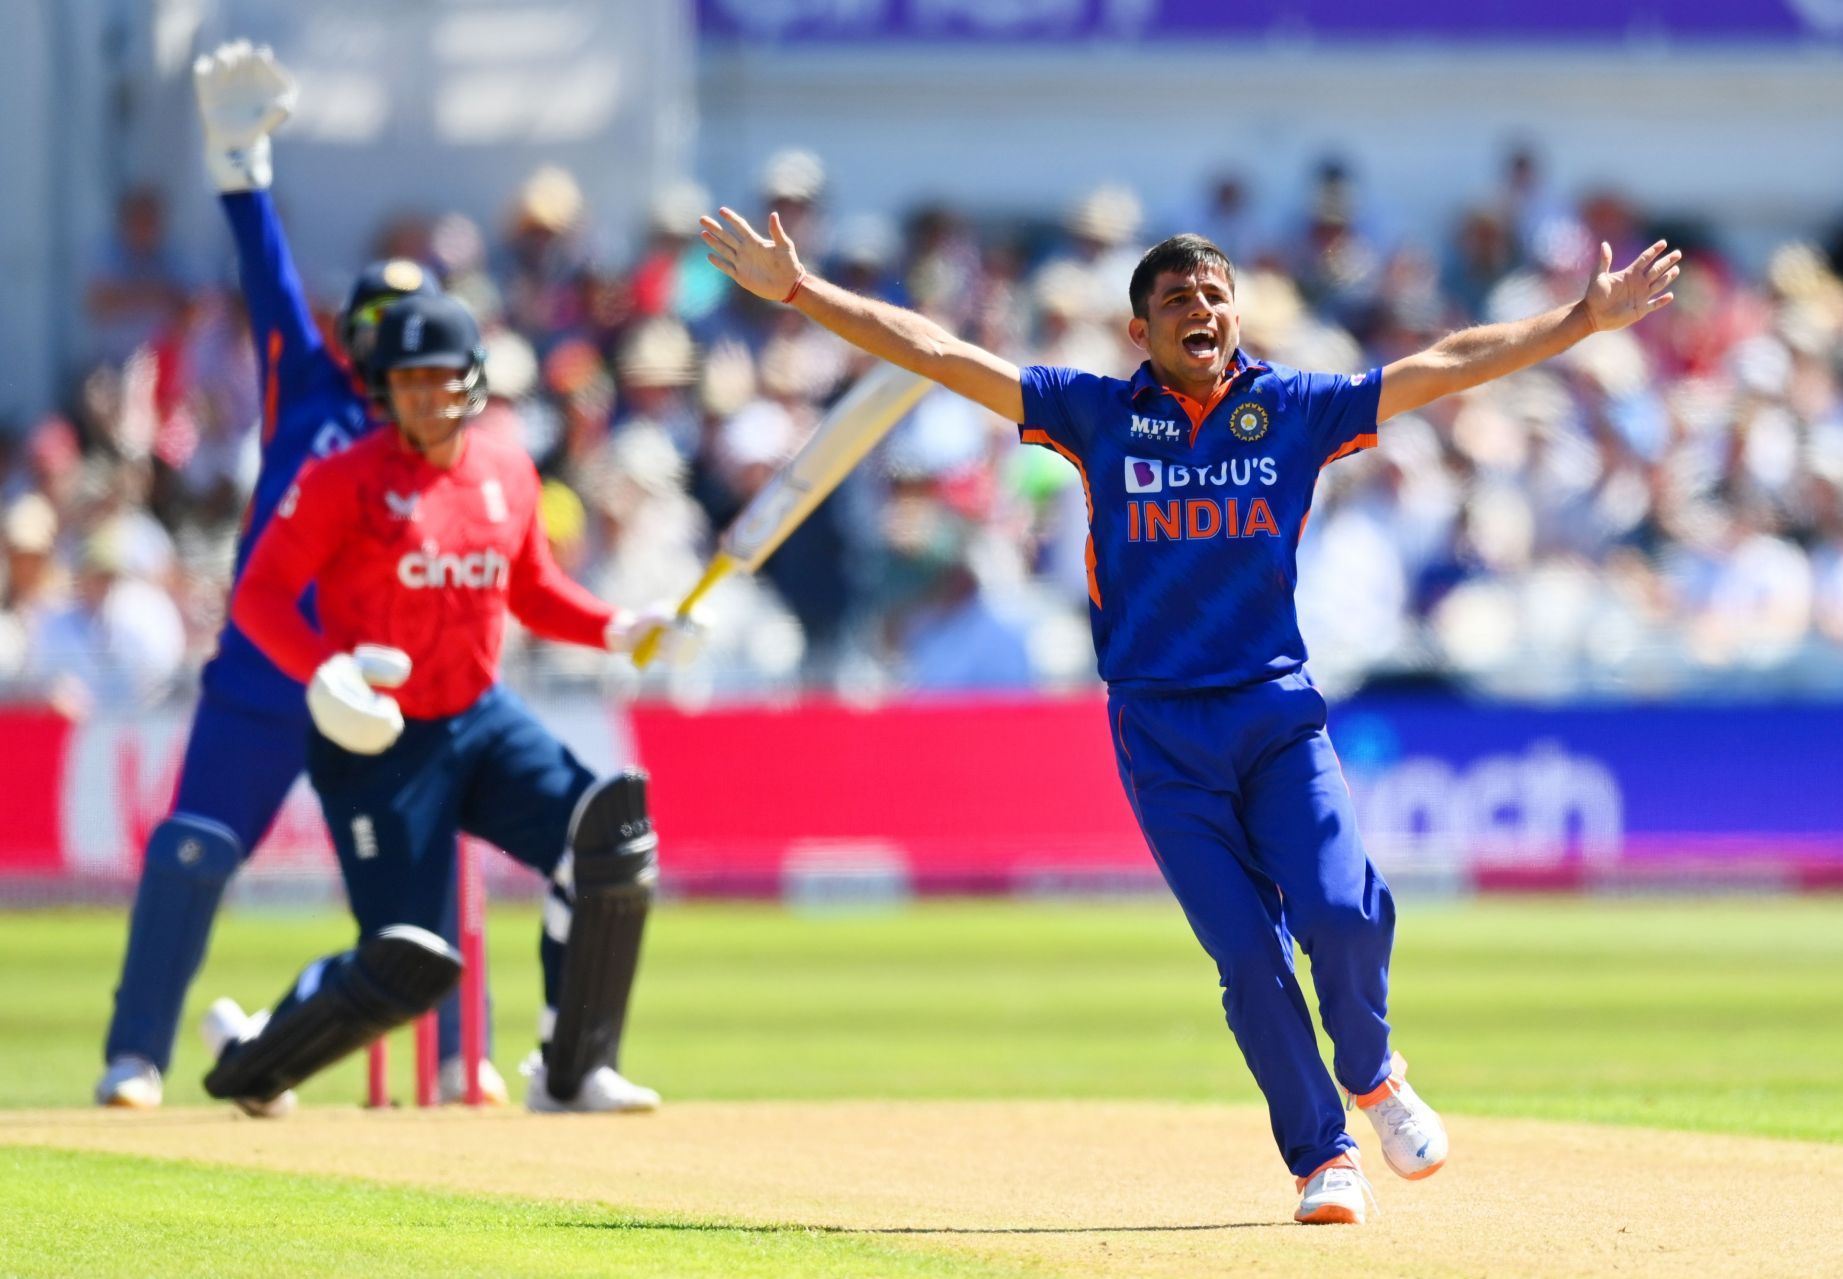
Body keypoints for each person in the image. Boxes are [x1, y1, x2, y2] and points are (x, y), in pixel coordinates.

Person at [699, 204, 1680, 1224]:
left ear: (1238, 318)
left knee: (1341, 915)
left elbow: (1446, 363)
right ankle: (1322, 1157)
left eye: (1215, 295)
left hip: (1276, 712)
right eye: (1176, 300)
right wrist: (802, 292)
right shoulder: (1094, 415)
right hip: (1160, 732)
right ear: (1142, 334)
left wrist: (1579, 321)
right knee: (1249, 958)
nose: (1200, 309)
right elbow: (939, 350)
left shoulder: (1293, 409)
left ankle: (1374, 1070)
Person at [95, 40, 492, 1109]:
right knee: (188, 849)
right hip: (270, 676)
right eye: (387, 332)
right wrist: (241, 170)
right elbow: (267, 277)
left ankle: (462, 1059)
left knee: (427, 875)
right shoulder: (304, 389)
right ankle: (135, 1056)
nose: (404, 357)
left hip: (388, 681)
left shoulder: (442, 435)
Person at [206, 291, 670, 1117]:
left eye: (439, 377)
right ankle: (253, 1053)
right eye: (406, 380)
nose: (423, 395)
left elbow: (530, 589)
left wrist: (620, 627)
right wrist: (325, 675)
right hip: (375, 736)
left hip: (479, 715)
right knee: (407, 964)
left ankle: (572, 1072)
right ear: (383, 389)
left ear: (472, 381)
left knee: (609, 844)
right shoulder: (340, 480)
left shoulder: (506, 469)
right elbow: (261, 595)